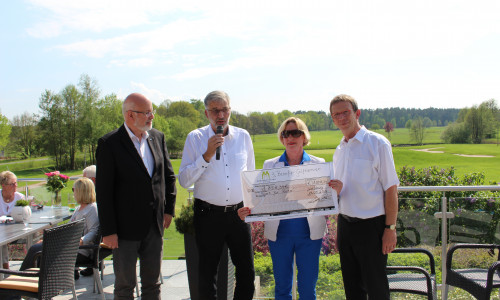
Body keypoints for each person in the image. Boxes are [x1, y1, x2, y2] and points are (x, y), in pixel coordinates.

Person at [238, 117, 343, 300]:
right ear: (282, 138)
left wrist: (336, 192)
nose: (291, 137)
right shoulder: (269, 165)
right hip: (279, 236)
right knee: (282, 289)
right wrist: (247, 211)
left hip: (310, 235)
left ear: (304, 137)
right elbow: (260, 199)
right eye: (286, 133)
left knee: (308, 289)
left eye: (296, 132)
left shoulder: (319, 163)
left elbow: (326, 200)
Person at [96, 92, 177, 300]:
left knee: (152, 284)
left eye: (152, 112)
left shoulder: (157, 137)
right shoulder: (109, 144)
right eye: (147, 113)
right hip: (124, 231)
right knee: (125, 286)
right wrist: (109, 231)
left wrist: (168, 210)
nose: (152, 117)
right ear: (130, 115)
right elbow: (103, 192)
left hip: (154, 225)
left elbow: (168, 176)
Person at [178, 90, 255, 300]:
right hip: (208, 214)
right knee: (207, 273)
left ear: (230, 110)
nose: (220, 115)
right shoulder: (196, 138)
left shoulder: (243, 136)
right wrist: (206, 155)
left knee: (247, 272)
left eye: (224, 109)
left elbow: (250, 177)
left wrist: (252, 207)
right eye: (215, 110)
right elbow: (184, 180)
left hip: (239, 214)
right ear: (206, 113)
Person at [328, 94, 399, 299]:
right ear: (333, 119)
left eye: (345, 112)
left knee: (376, 287)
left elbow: (391, 189)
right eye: (336, 115)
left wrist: (390, 228)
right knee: (352, 288)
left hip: (372, 228)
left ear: (357, 113)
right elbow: (342, 191)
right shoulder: (339, 150)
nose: (341, 118)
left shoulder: (377, 143)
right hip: (346, 226)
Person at [19, 177, 99, 280]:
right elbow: (68, 228)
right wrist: (49, 238)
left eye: (74, 190)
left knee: (38, 251)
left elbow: (94, 231)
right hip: (70, 247)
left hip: (80, 251)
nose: (73, 193)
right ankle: (27, 280)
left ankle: (27, 281)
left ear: (81, 191)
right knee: (37, 248)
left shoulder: (92, 209)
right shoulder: (79, 208)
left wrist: (80, 241)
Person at [0, 171, 25, 269]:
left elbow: (25, 215)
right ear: (4, 185)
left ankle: (30, 265)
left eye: (16, 183)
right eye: (12, 184)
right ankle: (5, 268)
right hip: (2, 231)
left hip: (17, 229)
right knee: (2, 239)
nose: (16, 185)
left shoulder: (19, 197)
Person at [80, 164, 96, 277]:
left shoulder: (92, 206)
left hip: (85, 249)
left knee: (38, 251)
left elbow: (94, 231)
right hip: (83, 246)